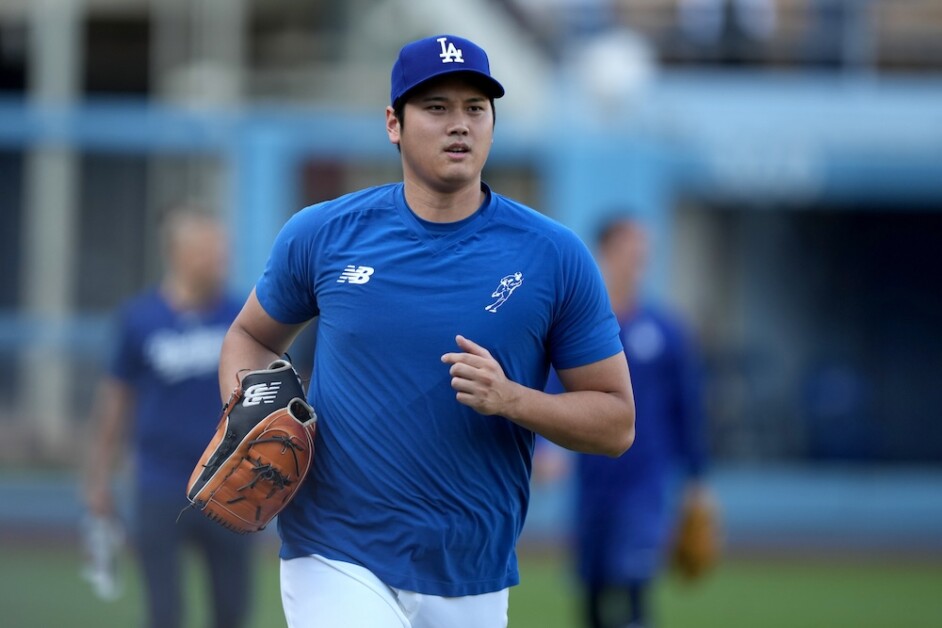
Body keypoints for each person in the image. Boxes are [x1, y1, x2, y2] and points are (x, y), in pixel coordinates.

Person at [217, 34, 635, 628]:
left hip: (472, 566)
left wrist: (513, 399)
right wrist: (250, 417)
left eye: (475, 108)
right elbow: (251, 337)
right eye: (436, 108)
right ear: (394, 123)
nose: (458, 124)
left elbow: (617, 422)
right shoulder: (322, 234)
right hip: (335, 550)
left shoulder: (555, 256)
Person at [538, 213, 713, 628]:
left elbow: (687, 409)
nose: (638, 260)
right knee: (594, 593)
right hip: (593, 479)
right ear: (605, 253)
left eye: (644, 252)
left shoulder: (666, 330)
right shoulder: (581, 327)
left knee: (633, 587)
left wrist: (697, 482)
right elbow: (549, 388)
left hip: (645, 481)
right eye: (630, 249)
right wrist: (545, 448)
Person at [84, 206, 253, 628]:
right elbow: (115, 400)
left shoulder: (243, 318)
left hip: (228, 482)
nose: (219, 259)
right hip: (159, 483)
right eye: (206, 250)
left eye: (221, 250)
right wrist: (98, 478)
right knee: (164, 613)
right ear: (176, 254)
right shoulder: (141, 319)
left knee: (231, 610)